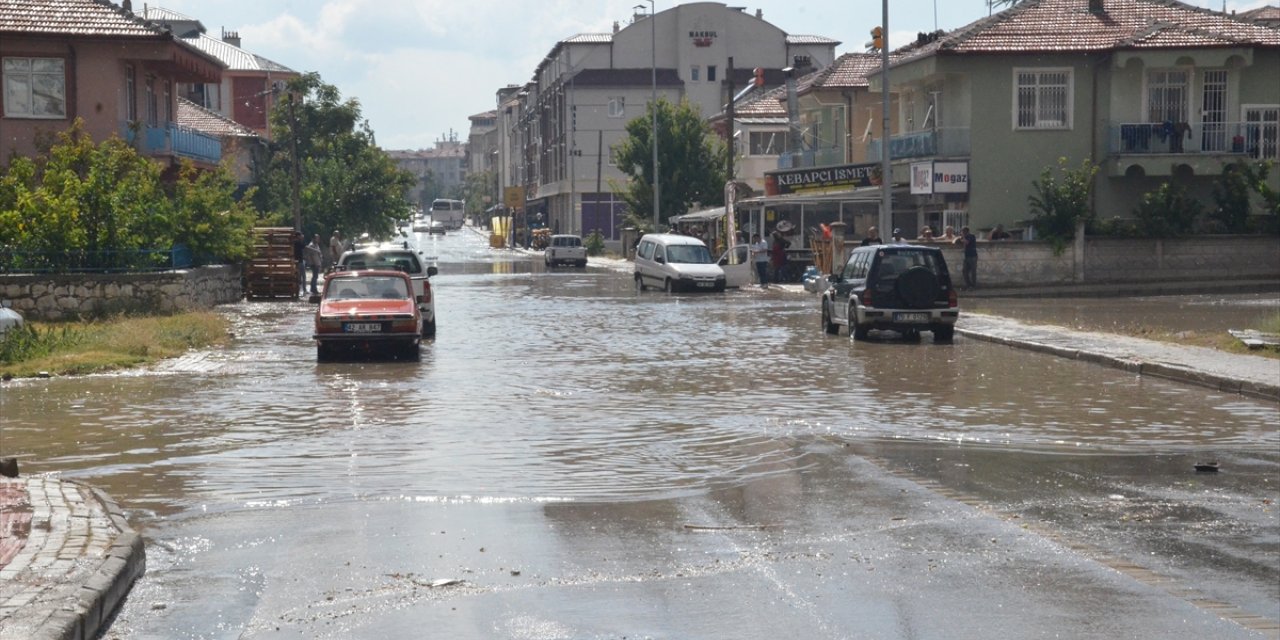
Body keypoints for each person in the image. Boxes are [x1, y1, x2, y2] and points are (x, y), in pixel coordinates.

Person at [960, 225, 978, 290]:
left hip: (973, 256)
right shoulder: (965, 237)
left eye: (962, 231)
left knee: (973, 272)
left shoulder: (971, 236)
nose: (961, 232)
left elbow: (967, 242)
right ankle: (968, 284)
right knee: (964, 271)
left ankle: (974, 286)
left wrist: (963, 237)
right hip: (967, 256)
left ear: (966, 231)